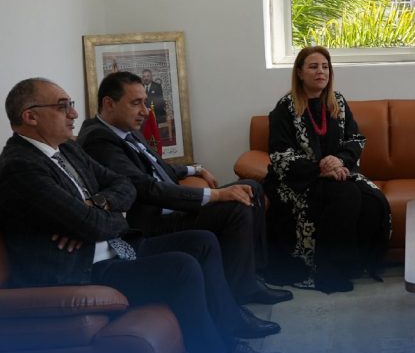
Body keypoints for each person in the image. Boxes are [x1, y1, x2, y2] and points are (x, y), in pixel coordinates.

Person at [0, 78, 286, 353]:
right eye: (62, 107)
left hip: (112, 247)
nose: (73, 113)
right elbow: (95, 222)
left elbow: (123, 185)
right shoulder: (20, 166)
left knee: (201, 242)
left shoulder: (66, 148)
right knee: (181, 266)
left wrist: (96, 205)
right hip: (80, 270)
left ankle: (228, 337)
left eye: (71, 104)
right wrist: (100, 217)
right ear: (30, 116)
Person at [78, 72, 291, 306]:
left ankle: (253, 274)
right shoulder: (99, 139)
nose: (145, 111)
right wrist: (215, 195)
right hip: (151, 222)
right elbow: (145, 187)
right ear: (109, 103)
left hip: (168, 206)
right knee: (237, 207)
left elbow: (157, 166)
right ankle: (242, 288)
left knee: (251, 187)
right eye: (136, 103)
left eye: (144, 102)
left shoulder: (125, 129)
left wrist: (194, 169)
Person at [264, 46, 391, 294]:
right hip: (298, 179)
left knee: (372, 199)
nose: (321, 71)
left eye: (325, 67)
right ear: (299, 72)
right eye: (313, 67)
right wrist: (319, 169)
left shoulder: (338, 102)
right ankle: (328, 272)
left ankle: (356, 265)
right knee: (346, 195)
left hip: (337, 172)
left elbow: (355, 139)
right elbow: (280, 155)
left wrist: (339, 160)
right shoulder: (285, 108)